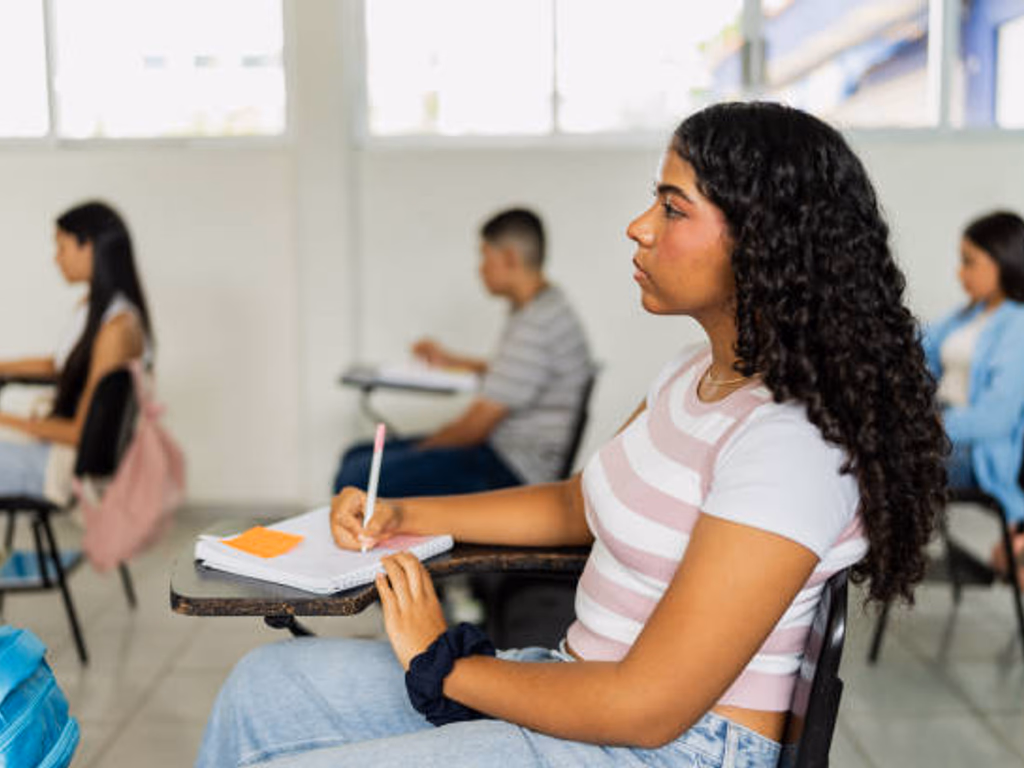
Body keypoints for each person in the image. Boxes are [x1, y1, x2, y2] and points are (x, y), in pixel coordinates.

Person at [196, 102, 946, 768]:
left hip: (674, 745)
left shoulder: (791, 446)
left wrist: (441, 659)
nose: (639, 226)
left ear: (761, 242)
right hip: (582, 685)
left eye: (672, 207)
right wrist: (406, 516)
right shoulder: (692, 375)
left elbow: (649, 708)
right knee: (263, 685)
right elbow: (578, 503)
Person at [333, 208, 593, 497]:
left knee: (356, 473)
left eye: (485, 256)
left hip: (511, 469)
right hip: (505, 454)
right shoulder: (548, 306)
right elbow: (512, 372)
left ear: (509, 258)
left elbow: (476, 426)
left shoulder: (536, 324)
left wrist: (420, 450)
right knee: (356, 455)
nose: (480, 268)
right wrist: (451, 361)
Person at [0, 201, 152, 502]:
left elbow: (81, 434)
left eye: (62, 247)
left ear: (90, 247)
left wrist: (5, 420)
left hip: (60, 466)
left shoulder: (116, 330)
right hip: (57, 451)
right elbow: (60, 364)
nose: (57, 259)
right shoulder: (103, 311)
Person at [921, 211, 1024, 574]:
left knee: (882, 459)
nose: (960, 273)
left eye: (970, 262)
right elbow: (919, 349)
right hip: (942, 429)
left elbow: (996, 418)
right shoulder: (968, 315)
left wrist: (932, 425)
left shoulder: (1017, 325)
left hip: (977, 451)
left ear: (1004, 260)